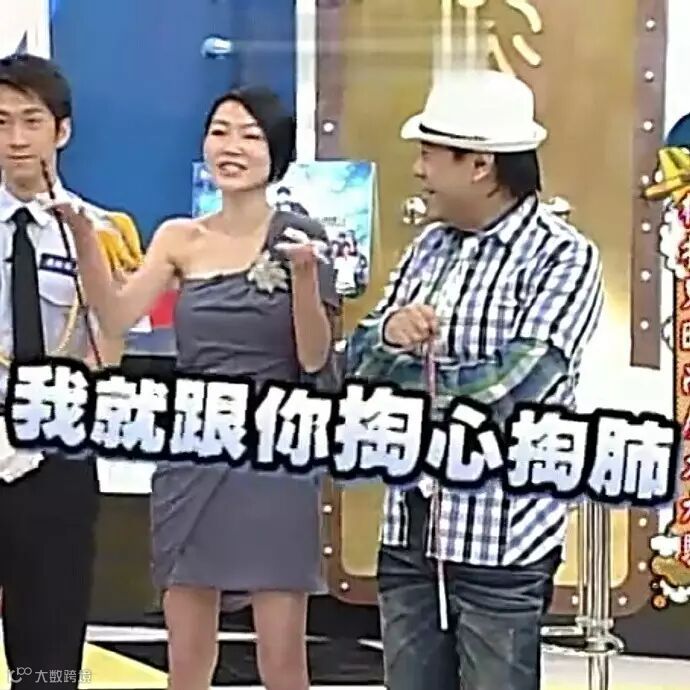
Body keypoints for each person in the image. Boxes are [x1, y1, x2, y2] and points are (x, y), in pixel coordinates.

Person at [45, 86, 340, 690]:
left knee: (283, 662)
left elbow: (314, 357)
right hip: (193, 448)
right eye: (220, 131)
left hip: (273, 452)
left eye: (250, 135)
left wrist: (306, 275)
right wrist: (82, 237)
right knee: (186, 659)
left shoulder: (300, 236)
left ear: (277, 152)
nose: (231, 147)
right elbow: (117, 315)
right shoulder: (179, 237)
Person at [348, 69, 604, 690]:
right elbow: (356, 362)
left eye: (429, 154)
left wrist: (405, 389)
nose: (419, 170)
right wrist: (390, 337)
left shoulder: (562, 257)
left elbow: (514, 390)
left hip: (503, 541)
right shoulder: (427, 249)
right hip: (409, 531)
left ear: (481, 165)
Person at [0, 54, 138, 689]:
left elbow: (111, 346)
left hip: (57, 455)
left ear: (63, 130)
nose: (16, 139)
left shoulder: (101, 232)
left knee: (49, 655)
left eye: (32, 121)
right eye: (1, 122)